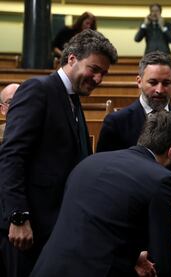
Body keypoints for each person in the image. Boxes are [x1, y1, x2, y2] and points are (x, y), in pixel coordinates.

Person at [0, 29, 117, 277]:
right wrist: (18, 217)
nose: (98, 79)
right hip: (27, 229)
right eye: (94, 69)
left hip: (54, 228)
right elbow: (12, 156)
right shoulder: (38, 89)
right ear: (72, 58)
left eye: (103, 74)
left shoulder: (73, 99)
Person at [30, 111, 171, 277]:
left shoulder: (88, 163)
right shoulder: (162, 180)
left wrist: (133, 257)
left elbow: (94, 230)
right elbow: (165, 258)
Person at [97, 51, 171, 201]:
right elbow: (104, 173)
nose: (160, 90)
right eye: (153, 82)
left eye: (166, 83)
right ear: (139, 81)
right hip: (129, 210)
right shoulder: (116, 122)